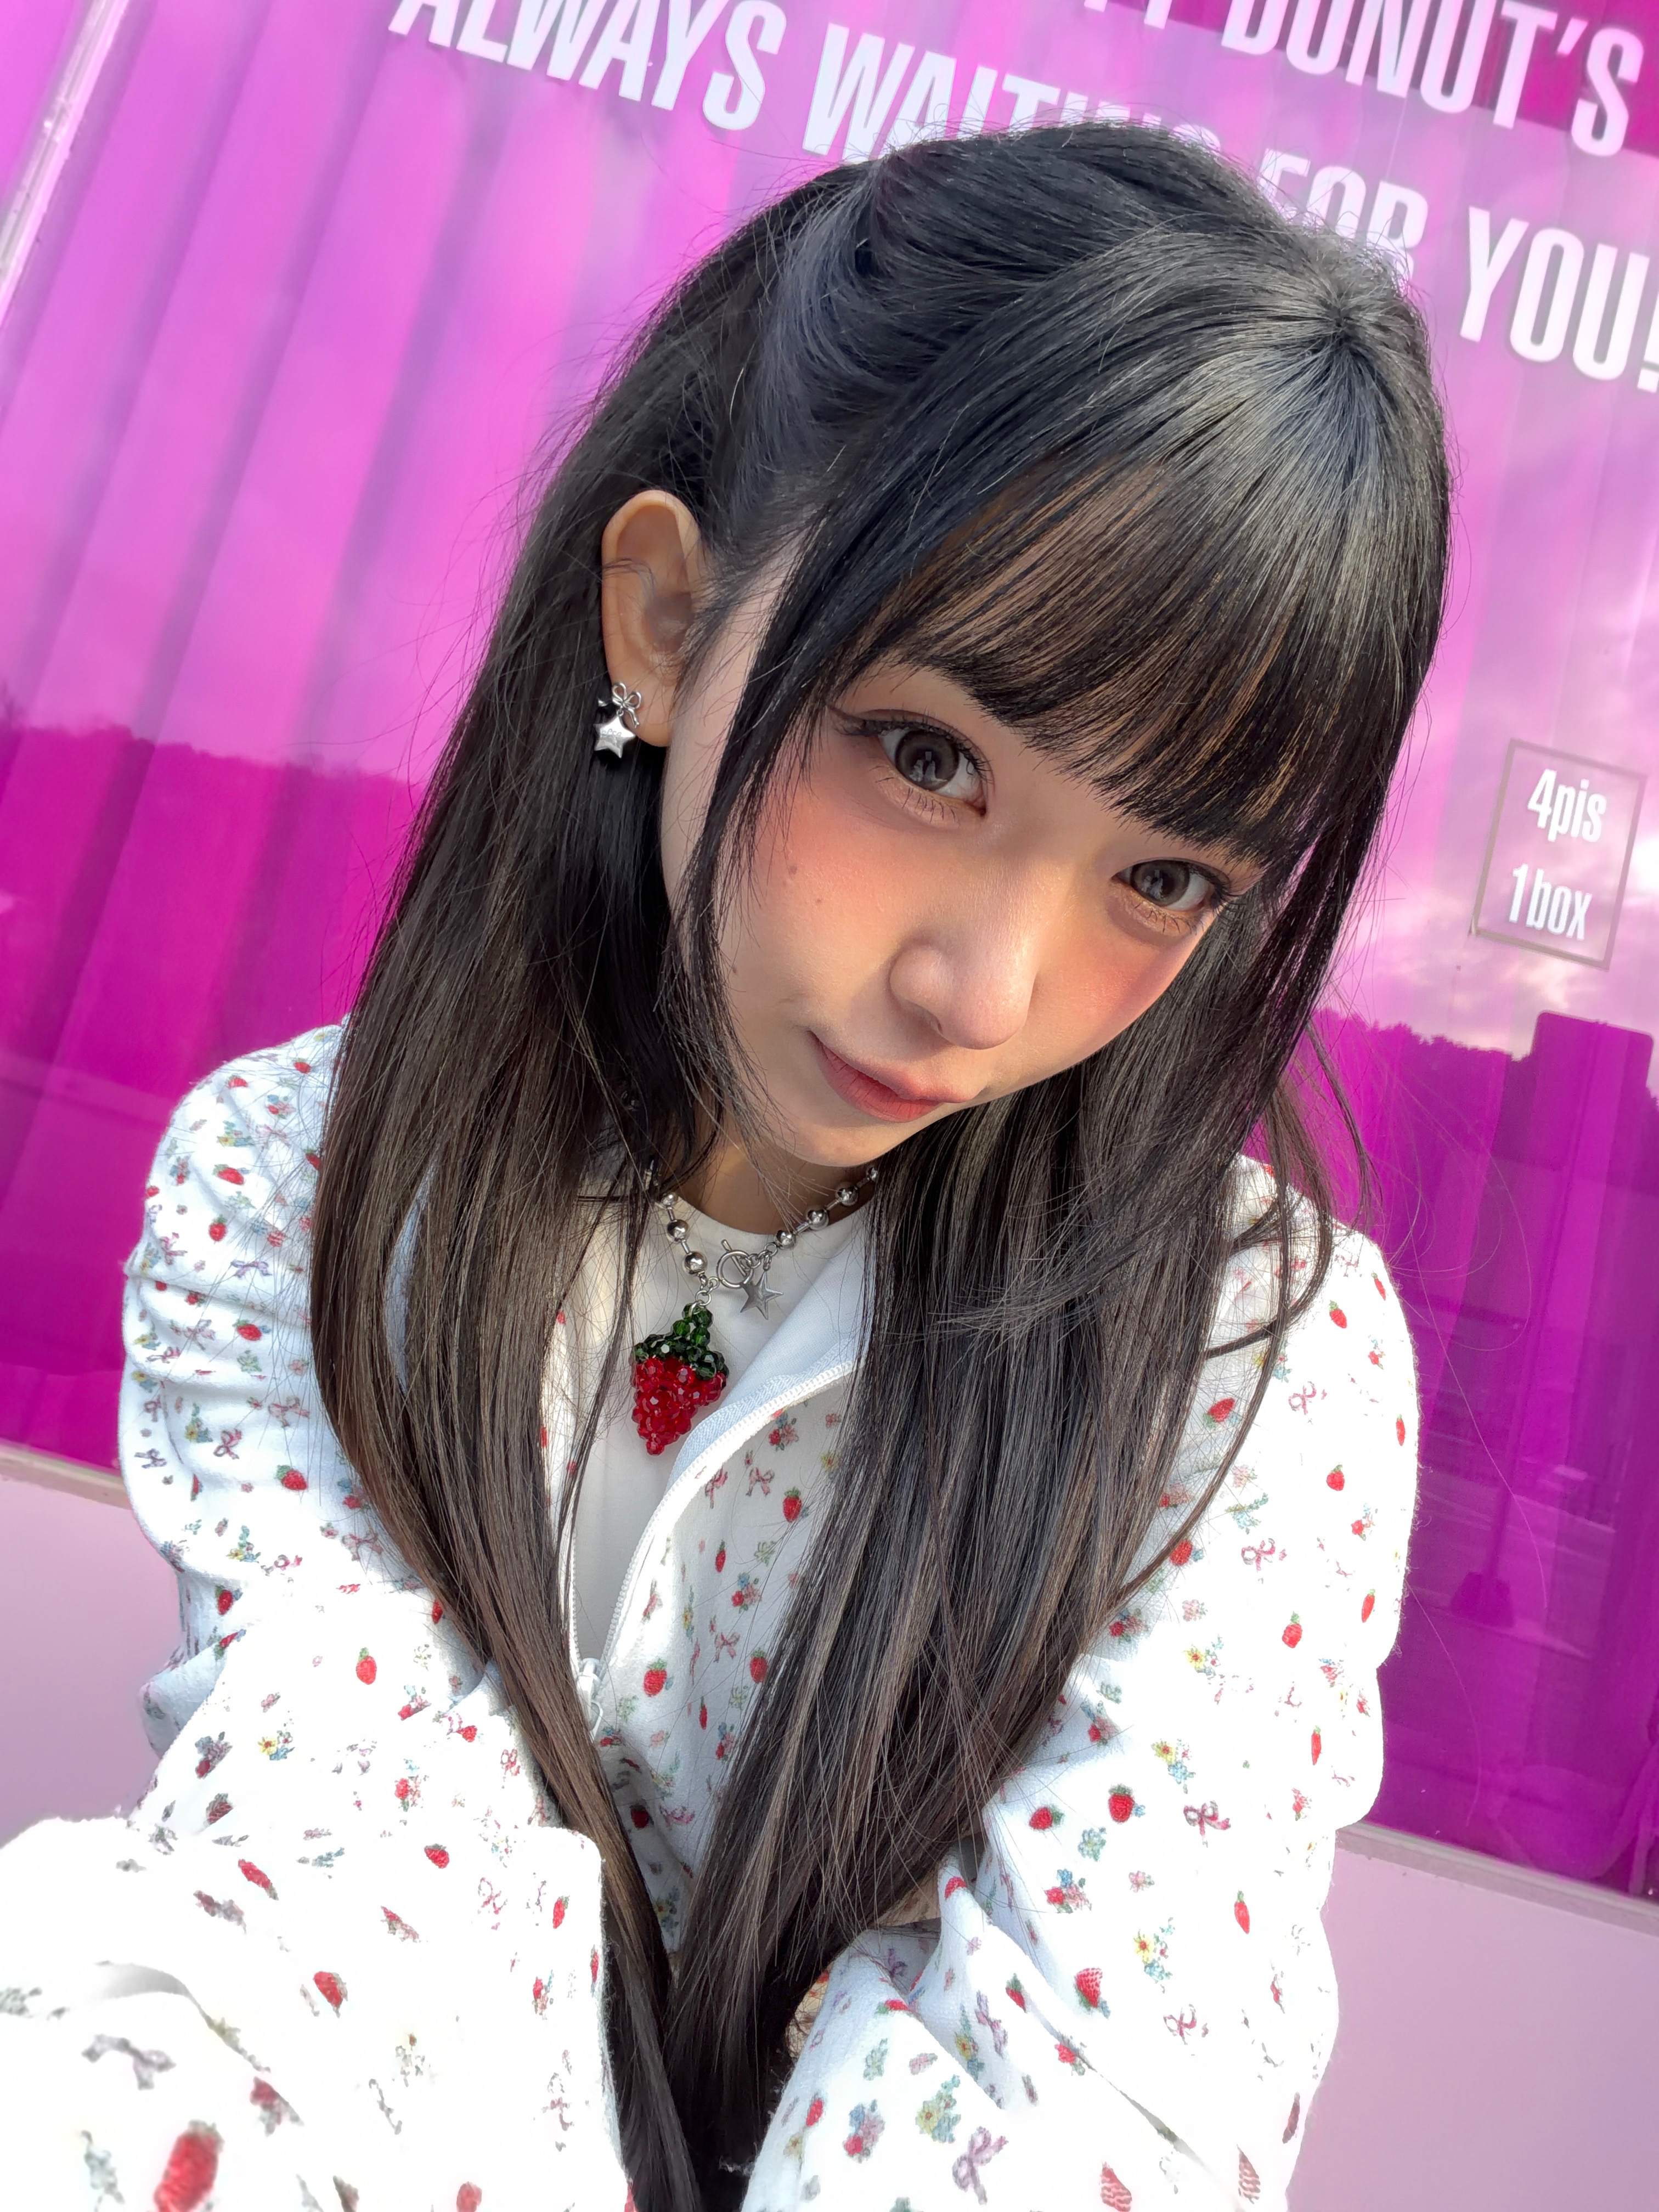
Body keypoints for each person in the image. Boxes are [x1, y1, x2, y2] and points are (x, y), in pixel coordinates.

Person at [0, 122, 1446, 2212]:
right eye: (929, 758)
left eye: (1162, 876)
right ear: (669, 622)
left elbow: (1091, 2094)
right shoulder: (306, 1194)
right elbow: (333, 1921)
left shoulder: (1244, 1369)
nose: (982, 988)